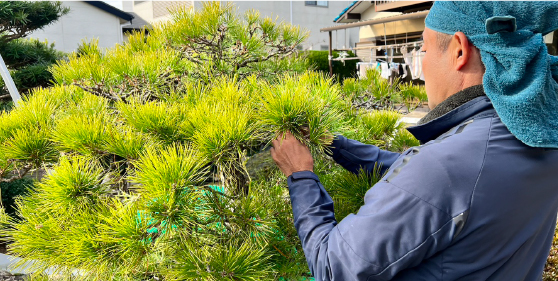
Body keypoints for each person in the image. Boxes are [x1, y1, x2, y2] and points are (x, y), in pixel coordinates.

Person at [271, 2, 558, 280]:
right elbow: (420, 178)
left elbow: (332, 267)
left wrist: (301, 176)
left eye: (423, 48)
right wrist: (335, 144)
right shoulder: (534, 140)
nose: (420, 69)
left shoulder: (444, 168)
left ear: (459, 50)